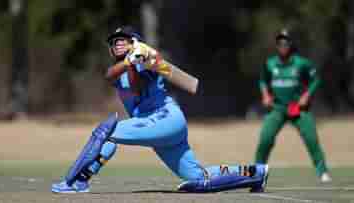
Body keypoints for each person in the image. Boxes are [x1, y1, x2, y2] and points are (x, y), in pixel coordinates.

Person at [51, 26, 268, 193]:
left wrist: (140, 60)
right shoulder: (119, 71)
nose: (117, 43)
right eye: (114, 42)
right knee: (198, 179)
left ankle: (75, 182)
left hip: (164, 118)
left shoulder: (146, 63)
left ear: (134, 43)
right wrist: (128, 62)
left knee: (106, 132)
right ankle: (256, 173)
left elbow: (139, 85)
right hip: (157, 128)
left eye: (123, 40)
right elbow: (111, 75)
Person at [254, 29, 331, 183]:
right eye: (279, 43)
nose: (283, 45)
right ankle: (257, 174)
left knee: (311, 139)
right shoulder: (270, 63)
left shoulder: (301, 63)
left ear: (291, 44)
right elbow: (262, 80)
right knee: (265, 138)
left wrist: (307, 95)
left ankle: (322, 172)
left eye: (286, 42)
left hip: (298, 109)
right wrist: (265, 95)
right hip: (277, 108)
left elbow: (316, 79)